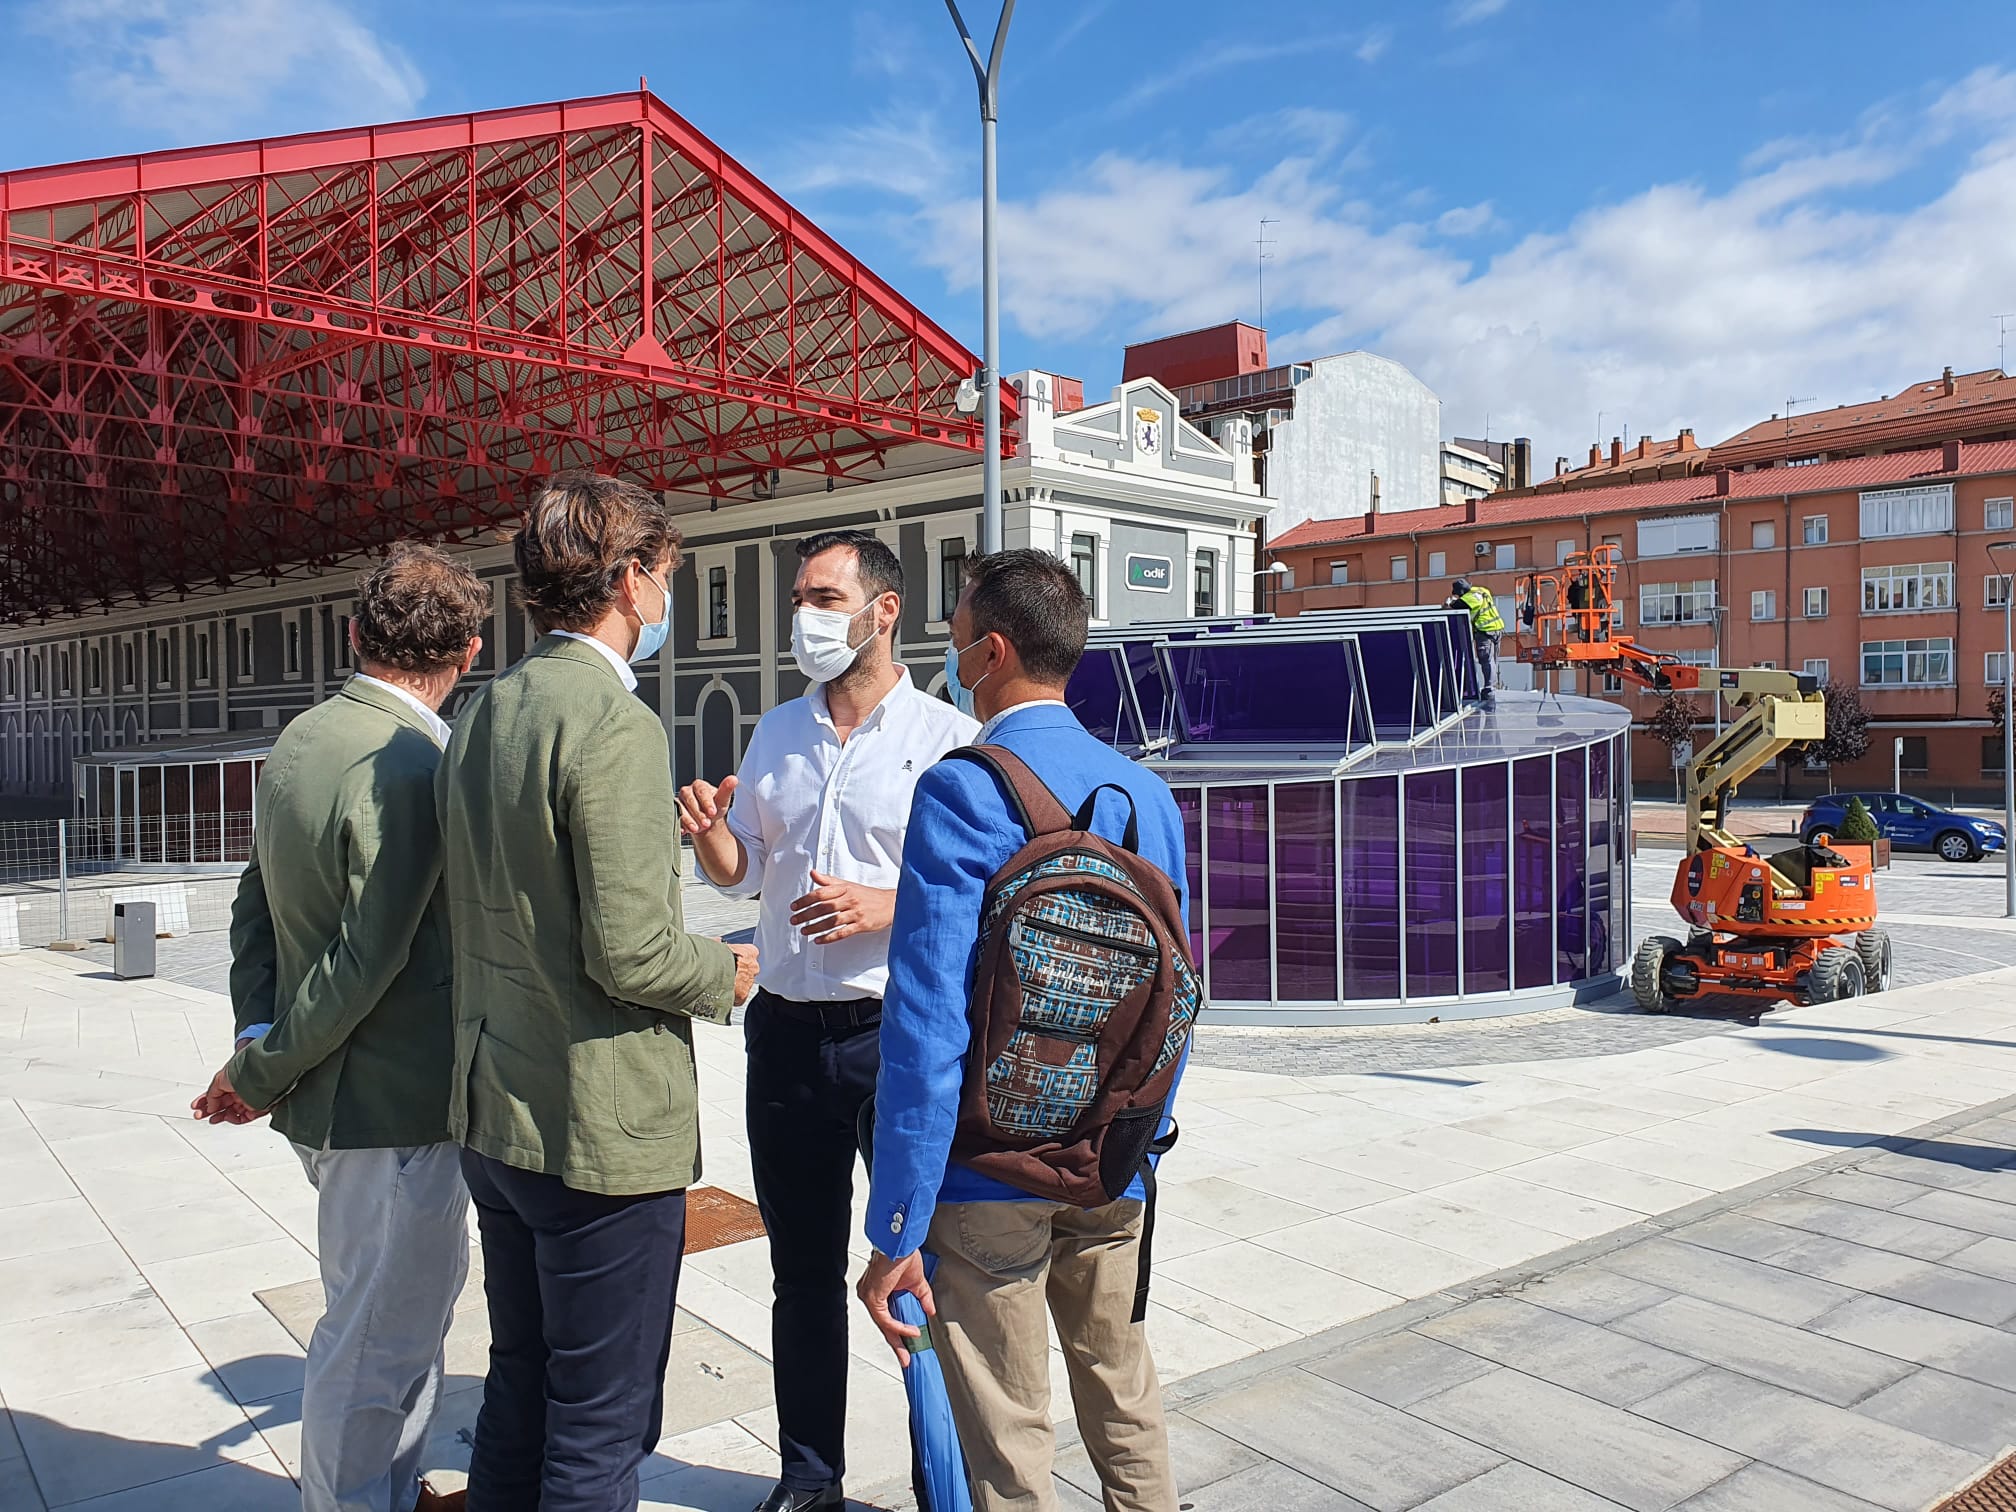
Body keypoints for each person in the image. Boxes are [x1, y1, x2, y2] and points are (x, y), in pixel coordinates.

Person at [435, 472, 760, 1512]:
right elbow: (634, 956)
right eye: (665, 577)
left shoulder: (492, 710)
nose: (664, 599)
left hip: (498, 1112)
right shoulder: (613, 725)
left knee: (519, 1392)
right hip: (595, 1128)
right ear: (629, 581)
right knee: (599, 1427)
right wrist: (733, 973)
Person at [856, 549, 1190, 1512]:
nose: (950, 649)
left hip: (988, 1172)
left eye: (956, 633)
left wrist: (897, 1225)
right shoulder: (1148, 794)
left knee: (1008, 1436)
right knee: (1124, 1392)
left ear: (990, 652)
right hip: (1114, 1161)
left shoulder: (964, 790)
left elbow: (926, 1022)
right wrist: (1138, 1137)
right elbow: (1179, 992)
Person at [677, 530, 976, 1512]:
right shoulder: (775, 732)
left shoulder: (944, 741)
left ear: (884, 611)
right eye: (799, 599)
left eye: (822, 597)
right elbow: (745, 873)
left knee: (922, 1265)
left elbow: (985, 890)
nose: (803, 616)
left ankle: (954, 1476)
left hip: (898, 1042)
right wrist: (716, 840)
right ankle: (808, 1480)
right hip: (789, 1041)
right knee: (801, 1275)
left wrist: (886, 906)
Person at [191, 542, 490, 1512]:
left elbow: (253, 903)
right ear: (473, 651)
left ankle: (395, 1492)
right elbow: (371, 958)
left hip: (336, 1097)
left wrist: (258, 1030)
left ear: (354, 635)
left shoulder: (302, 741)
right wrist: (265, 1068)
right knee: (377, 1343)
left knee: (386, 1323)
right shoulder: (415, 762)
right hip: (392, 1106)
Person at [1447, 577, 1505, 704]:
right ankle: (1492, 687)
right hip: (1497, 628)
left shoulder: (1469, 598)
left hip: (1485, 631)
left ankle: (1489, 690)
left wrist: (1450, 603)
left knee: (1486, 660)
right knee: (1493, 661)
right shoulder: (1482, 590)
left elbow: (1458, 605)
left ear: (1461, 592)